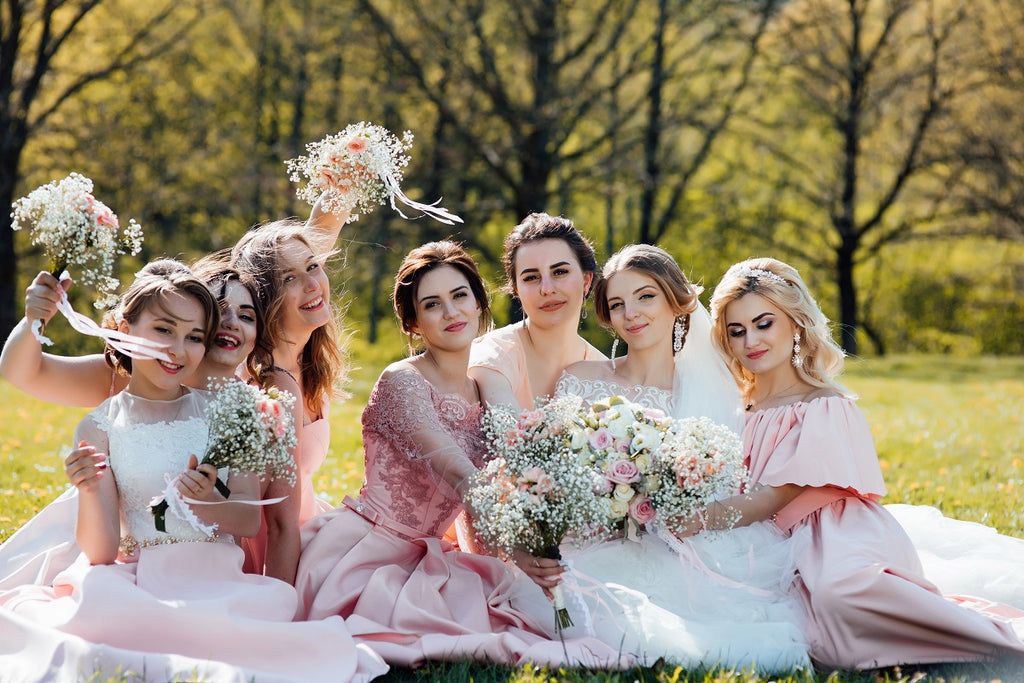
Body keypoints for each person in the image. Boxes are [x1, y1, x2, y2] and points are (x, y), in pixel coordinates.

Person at [0, 261, 387, 682]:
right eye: (219, 312)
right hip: (132, 545)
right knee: (100, 603)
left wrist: (279, 604)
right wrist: (36, 316)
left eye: (246, 314)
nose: (229, 325)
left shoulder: (243, 408)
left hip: (216, 563)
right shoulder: (123, 383)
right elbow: (24, 372)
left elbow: (268, 520)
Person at [294, 241, 623, 668]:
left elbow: (499, 481)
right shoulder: (402, 381)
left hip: (430, 555)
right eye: (433, 304)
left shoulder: (485, 389)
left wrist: (526, 543)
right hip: (367, 550)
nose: (451, 313)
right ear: (413, 322)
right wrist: (520, 552)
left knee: (514, 616)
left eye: (460, 296)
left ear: (479, 303)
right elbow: (461, 474)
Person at [692, 256, 1024, 669]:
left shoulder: (823, 405)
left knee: (837, 593)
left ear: (795, 323)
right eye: (737, 331)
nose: (751, 341)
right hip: (761, 535)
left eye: (764, 323)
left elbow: (778, 495)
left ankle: (996, 641)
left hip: (835, 532)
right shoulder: (737, 410)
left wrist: (700, 519)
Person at [551, 244, 810, 670]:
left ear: (676, 301)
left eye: (646, 296)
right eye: (617, 304)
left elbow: (722, 485)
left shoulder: (713, 392)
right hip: (585, 540)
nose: (631, 313)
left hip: (672, 544)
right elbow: (557, 472)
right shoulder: (580, 380)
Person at [230, 220, 346, 584]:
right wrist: (283, 606)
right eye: (290, 279)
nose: (313, 284)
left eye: (313, 266)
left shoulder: (306, 365)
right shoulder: (268, 382)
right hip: (272, 556)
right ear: (265, 297)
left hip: (305, 530)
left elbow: (328, 219)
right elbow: (277, 524)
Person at [468, 212, 605, 411]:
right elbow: (511, 437)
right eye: (532, 277)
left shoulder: (604, 371)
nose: (547, 289)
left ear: (586, 280)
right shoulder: (493, 355)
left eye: (560, 272)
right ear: (516, 290)